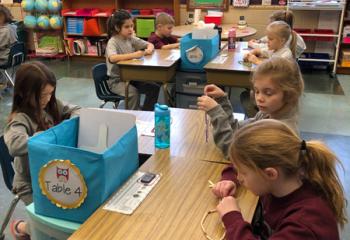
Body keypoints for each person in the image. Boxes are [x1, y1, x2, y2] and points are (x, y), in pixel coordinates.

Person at [213, 119, 347, 239]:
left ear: (270, 174)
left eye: (242, 173)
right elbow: (243, 161)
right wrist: (229, 179)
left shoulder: (304, 224)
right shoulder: (283, 182)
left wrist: (232, 218)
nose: (239, 178)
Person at [4, 61, 80, 239]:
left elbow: (77, 110)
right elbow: (15, 144)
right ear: (24, 93)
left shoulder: (51, 106)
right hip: (29, 184)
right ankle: (21, 227)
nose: (47, 99)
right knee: (55, 228)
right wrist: (42, 138)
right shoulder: (19, 118)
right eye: (41, 96)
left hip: (52, 178)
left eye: (50, 94)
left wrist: (66, 127)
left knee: (71, 215)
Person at [197, 57, 304, 157]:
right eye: (257, 91)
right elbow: (237, 130)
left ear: (289, 94)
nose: (259, 98)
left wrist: (216, 113)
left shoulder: (280, 132)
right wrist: (222, 100)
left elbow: (234, 154)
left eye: (268, 93)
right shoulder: (267, 113)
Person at [106, 9, 160, 110]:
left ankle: (146, 114)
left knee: (154, 88)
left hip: (131, 78)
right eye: (127, 27)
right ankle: (134, 119)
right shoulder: (113, 42)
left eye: (131, 26)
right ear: (117, 28)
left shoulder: (130, 38)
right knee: (133, 93)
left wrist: (148, 49)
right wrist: (134, 55)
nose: (130, 29)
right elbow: (112, 58)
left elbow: (150, 44)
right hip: (117, 81)